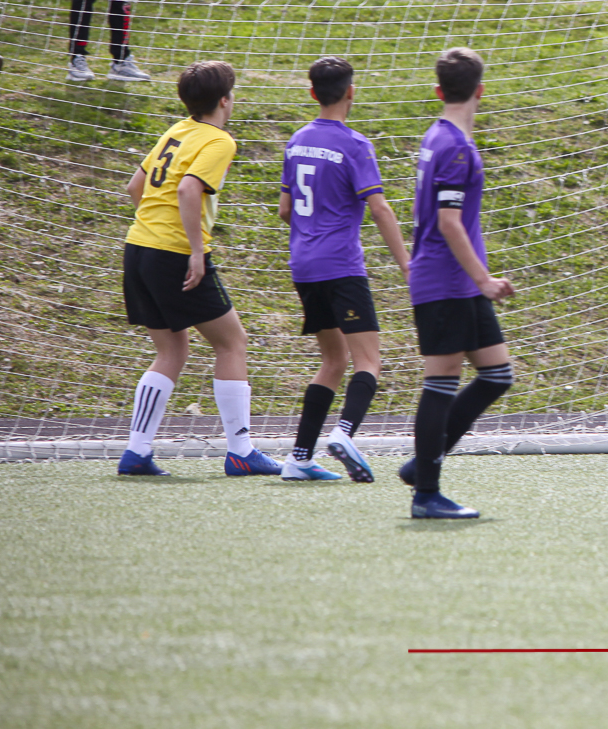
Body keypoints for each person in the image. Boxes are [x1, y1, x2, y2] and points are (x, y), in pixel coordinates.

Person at [118, 60, 280, 477]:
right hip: (173, 255)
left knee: (171, 350)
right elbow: (189, 188)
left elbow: (135, 188)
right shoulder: (220, 140)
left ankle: (136, 452)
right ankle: (241, 451)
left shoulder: (175, 130)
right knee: (232, 343)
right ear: (225, 100)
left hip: (138, 248)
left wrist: (157, 229)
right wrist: (193, 251)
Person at [276, 57, 410, 482]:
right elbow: (381, 208)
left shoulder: (296, 141)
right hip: (341, 267)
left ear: (313, 93)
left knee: (331, 360)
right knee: (368, 361)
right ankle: (345, 435)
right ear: (351, 91)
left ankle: (298, 459)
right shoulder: (355, 145)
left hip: (304, 267)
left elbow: (284, 210)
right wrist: (408, 265)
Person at [398, 48, 516, 519]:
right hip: (448, 281)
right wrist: (483, 278)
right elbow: (448, 222)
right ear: (481, 92)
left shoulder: (437, 135)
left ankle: (423, 463)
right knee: (441, 382)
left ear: (438, 90)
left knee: (497, 374)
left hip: (454, 281)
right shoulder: (456, 148)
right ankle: (426, 492)